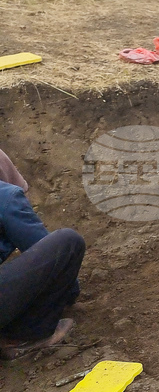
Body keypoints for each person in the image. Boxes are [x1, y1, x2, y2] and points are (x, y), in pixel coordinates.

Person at [1, 150, 85, 361]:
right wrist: (68, 290)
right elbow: (39, 246)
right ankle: (22, 337)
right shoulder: (7, 197)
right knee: (68, 242)